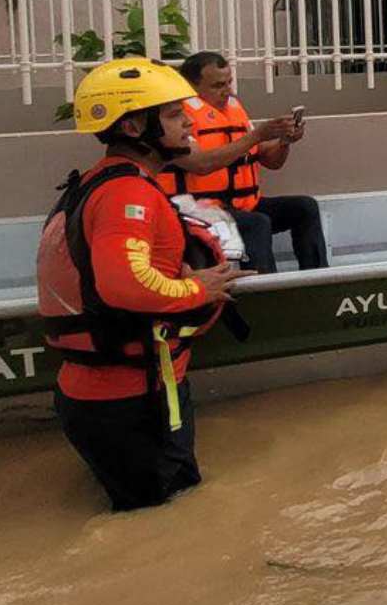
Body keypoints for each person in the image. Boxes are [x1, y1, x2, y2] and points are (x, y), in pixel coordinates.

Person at [38, 57, 251, 511]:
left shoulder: (99, 183)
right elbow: (124, 286)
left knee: (155, 523)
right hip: (130, 397)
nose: (189, 123)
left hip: (114, 391)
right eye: (174, 115)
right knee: (163, 521)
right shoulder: (127, 194)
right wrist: (200, 290)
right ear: (135, 126)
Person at [159, 51, 328, 274]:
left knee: (304, 207)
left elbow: (270, 160)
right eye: (218, 85)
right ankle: (265, 293)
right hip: (197, 211)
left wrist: (284, 142)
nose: (228, 90)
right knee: (256, 223)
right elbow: (200, 164)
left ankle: (317, 278)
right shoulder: (177, 118)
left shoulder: (234, 108)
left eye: (229, 82)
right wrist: (257, 135)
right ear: (191, 86)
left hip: (241, 205)